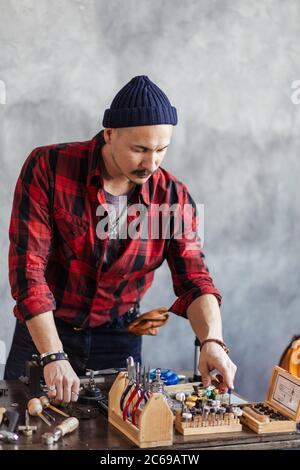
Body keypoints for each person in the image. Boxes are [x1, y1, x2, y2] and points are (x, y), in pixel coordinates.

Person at [4, 75, 237, 403]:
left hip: (120, 337)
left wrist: (213, 341)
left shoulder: (173, 197)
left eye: (161, 150)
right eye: (140, 149)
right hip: (45, 331)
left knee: (117, 436)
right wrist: (52, 356)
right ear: (109, 134)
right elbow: (28, 270)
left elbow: (195, 280)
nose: (151, 163)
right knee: (23, 427)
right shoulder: (48, 168)